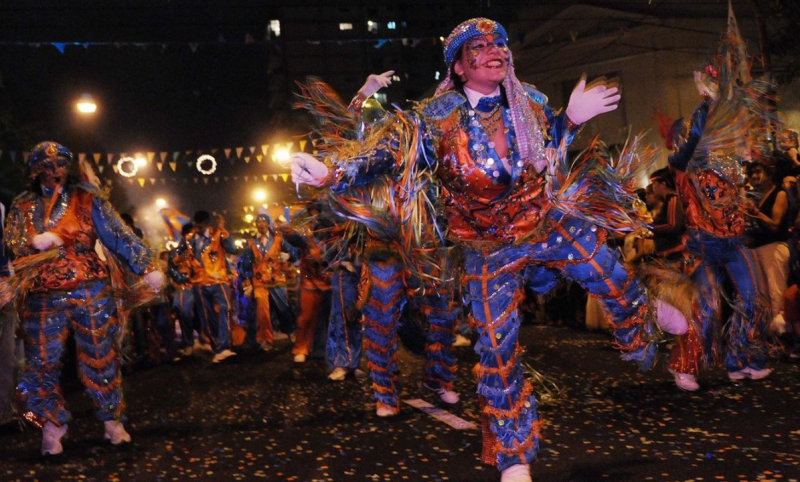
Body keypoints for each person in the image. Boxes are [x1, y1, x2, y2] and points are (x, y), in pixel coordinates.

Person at [292, 18, 670, 482]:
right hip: (487, 246)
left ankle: (646, 325)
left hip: (544, 221)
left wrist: (570, 118)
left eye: (500, 43)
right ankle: (513, 456)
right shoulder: (435, 118)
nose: (496, 50)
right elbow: (385, 150)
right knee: (494, 348)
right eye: (481, 46)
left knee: (610, 275)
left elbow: (546, 149)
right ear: (458, 65)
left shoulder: (529, 100)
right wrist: (330, 172)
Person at [3, 141, 165, 455]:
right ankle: (51, 425)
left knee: (100, 355)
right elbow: (12, 243)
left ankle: (112, 420)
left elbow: (116, 234)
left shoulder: (87, 197)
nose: (55, 171)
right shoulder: (22, 205)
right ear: (35, 170)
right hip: (42, 294)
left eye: (61, 165)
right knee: (40, 362)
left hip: (90, 288)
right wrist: (33, 243)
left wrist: (146, 266)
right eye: (47, 166)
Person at [183, 211, 238, 363]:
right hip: (199, 283)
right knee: (207, 317)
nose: (198, 230)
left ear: (207, 225)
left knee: (225, 309)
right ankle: (217, 347)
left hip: (218, 280)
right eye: (196, 227)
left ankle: (224, 346)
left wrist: (223, 230)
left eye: (201, 227)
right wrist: (185, 269)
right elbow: (184, 256)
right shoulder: (189, 239)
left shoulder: (218, 234)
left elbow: (232, 249)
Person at [239, 211, 296, 352]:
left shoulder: (278, 239)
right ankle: (266, 339)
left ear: (268, 224)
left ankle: (290, 330)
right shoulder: (251, 243)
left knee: (283, 308)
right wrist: (247, 283)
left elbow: (294, 253)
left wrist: (288, 255)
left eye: (264, 221)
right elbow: (246, 265)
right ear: (256, 225)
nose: (261, 224)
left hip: (277, 279)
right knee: (263, 311)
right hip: (260, 282)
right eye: (258, 222)